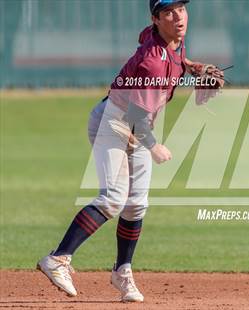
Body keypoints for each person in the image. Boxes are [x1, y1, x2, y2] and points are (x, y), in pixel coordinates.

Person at [37, 0, 223, 303]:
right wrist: (155, 147)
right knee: (113, 197)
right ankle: (57, 259)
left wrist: (193, 68)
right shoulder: (152, 61)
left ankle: (122, 272)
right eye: (168, 12)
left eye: (181, 9)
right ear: (156, 18)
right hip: (114, 122)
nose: (178, 17)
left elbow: (167, 52)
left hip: (136, 125)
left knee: (137, 204)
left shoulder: (170, 37)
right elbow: (137, 114)